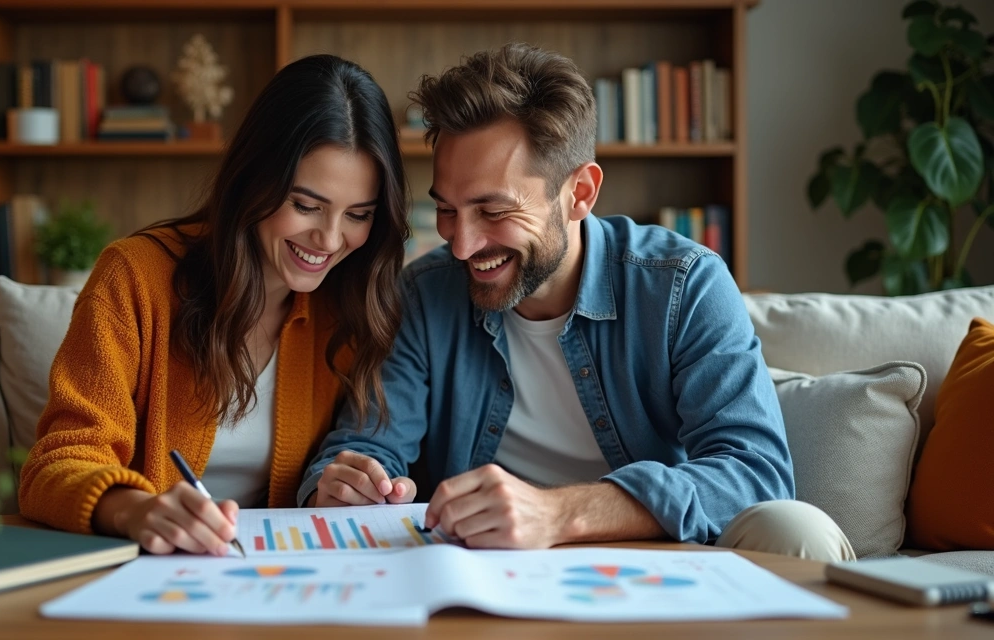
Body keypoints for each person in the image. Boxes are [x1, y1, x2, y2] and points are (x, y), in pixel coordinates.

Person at [299, 43, 855, 562]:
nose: (462, 244)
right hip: (484, 567)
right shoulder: (423, 295)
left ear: (581, 193)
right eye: (447, 209)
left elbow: (755, 474)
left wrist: (560, 513)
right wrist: (349, 481)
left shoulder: (683, 285)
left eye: (493, 211)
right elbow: (367, 445)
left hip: (648, 555)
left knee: (793, 529)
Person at [19, 54, 410, 556]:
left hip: (279, 576)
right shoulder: (136, 276)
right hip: (153, 570)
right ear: (254, 181)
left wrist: (345, 485)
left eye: (358, 214)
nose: (330, 239)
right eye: (305, 206)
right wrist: (138, 510)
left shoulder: (351, 304)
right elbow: (54, 465)